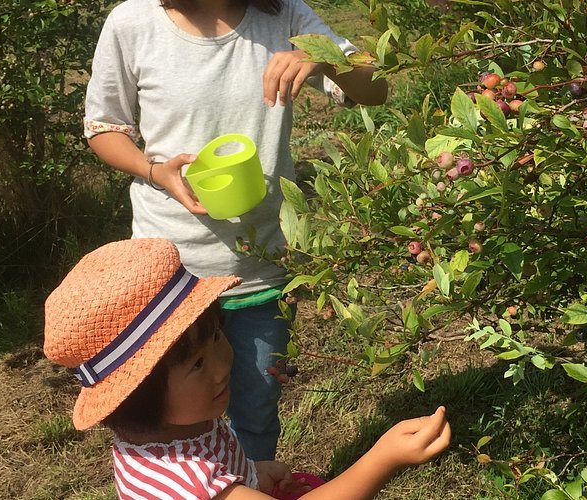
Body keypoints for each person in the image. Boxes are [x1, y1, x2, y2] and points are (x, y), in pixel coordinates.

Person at [82, 0, 388, 461]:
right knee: (171, 416)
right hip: (170, 271)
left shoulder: (285, 15)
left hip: (261, 261)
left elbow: (377, 90)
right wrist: (155, 170)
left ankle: (254, 479)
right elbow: (103, 126)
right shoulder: (133, 22)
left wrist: (323, 57)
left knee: (258, 402)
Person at [43, 238, 451, 499]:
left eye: (218, 336)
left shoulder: (170, 427)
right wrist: (383, 458)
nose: (222, 366)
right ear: (137, 394)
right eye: (198, 363)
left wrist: (251, 473)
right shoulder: (189, 483)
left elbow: (217, 457)